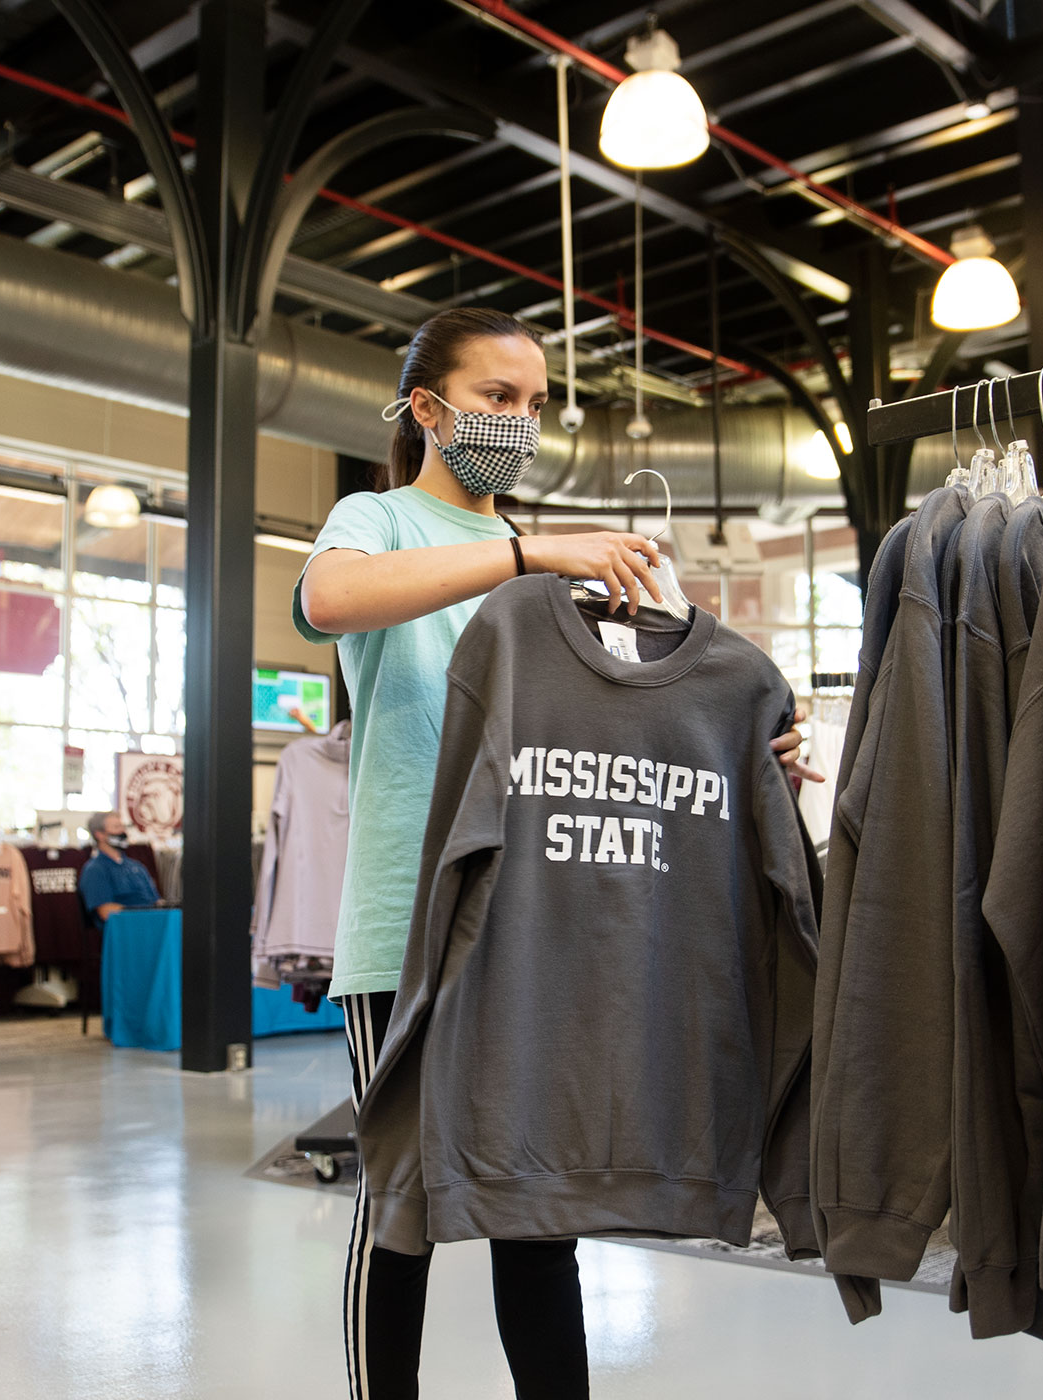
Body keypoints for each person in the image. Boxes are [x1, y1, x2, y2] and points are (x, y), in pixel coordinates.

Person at [296, 306, 822, 1400]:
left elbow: (651, 704)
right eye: (497, 399)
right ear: (428, 407)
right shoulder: (381, 519)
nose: (520, 423)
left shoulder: (562, 568)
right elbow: (325, 597)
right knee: (401, 1202)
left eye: (536, 405)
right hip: (405, 918)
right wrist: (526, 552)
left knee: (536, 1207)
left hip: (533, 928)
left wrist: (755, 743)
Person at [78, 810, 159, 929]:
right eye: (116, 827)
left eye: (123, 826)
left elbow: (156, 902)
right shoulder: (95, 870)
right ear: (99, 834)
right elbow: (106, 912)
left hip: (152, 929)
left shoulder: (137, 866)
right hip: (125, 934)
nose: (122, 831)